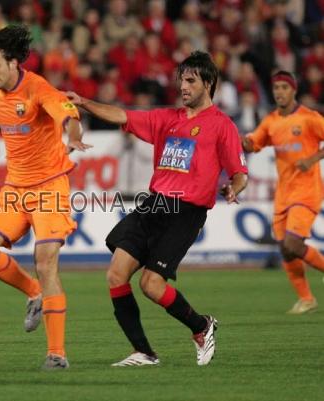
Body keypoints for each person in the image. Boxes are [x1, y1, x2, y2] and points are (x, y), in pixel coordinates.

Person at [67, 51, 248, 367]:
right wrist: (83, 101)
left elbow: (240, 173)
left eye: (191, 81)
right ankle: (144, 352)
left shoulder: (222, 126)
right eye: (182, 81)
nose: (184, 87)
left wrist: (233, 189)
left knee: (151, 284)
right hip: (155, 204)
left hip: (187, 211)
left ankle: (202, 326)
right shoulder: (167, 119)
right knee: (115, 274)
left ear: (209, 83)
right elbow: (122, 115)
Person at [0, 25, 90, 370]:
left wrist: (74, 136)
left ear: (14, 63)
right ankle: (34, 292)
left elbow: (67, 112)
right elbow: (1, 116)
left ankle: (57, 354)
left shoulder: (38, 88)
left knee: (46, 260)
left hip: (50, 186)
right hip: (15, 188)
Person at [242, 70, 324, 314]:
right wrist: (240, 140)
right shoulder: (271, 121)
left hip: (306, 191)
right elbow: (253, 143)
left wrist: (313, 158)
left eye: (284, 88)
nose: (279, 92)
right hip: (283, 194)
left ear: (294, 90)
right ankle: (307, 298)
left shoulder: (310, 118)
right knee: (285, 249)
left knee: (292, 243)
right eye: (276, 88)